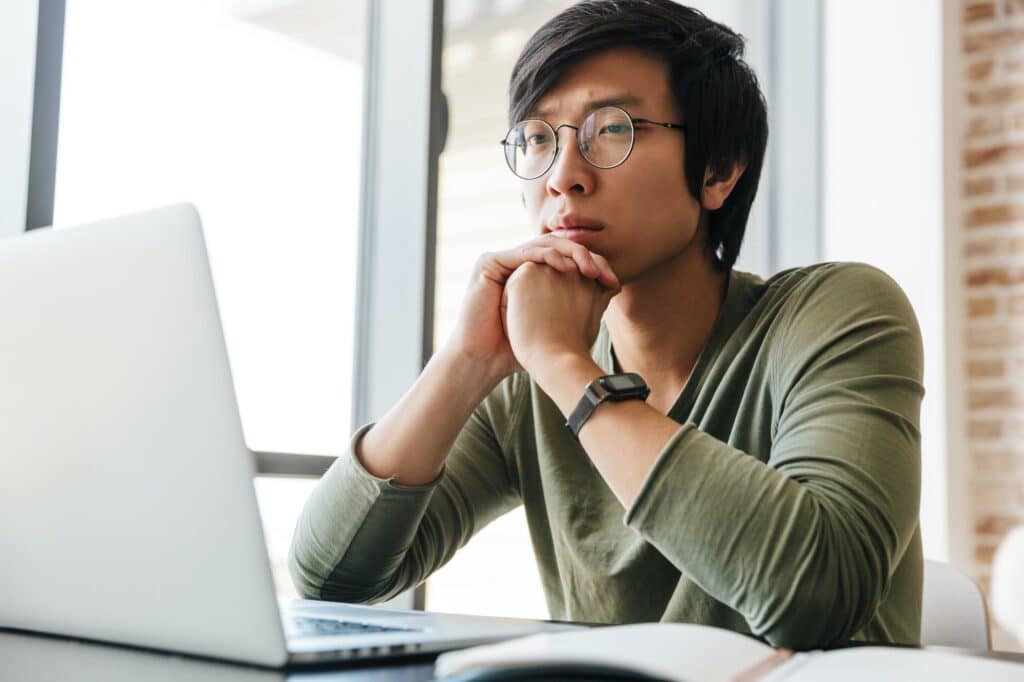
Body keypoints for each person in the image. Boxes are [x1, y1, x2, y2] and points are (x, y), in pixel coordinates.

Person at [289, 0, 924, 650]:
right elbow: (331, 579)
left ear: (719, 170)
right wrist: (465, 362)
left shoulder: (836, 312)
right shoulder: (527, 375)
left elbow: (818, 597)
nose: (563, 176)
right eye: (538, 139)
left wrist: (570, 371)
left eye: (612, 130)